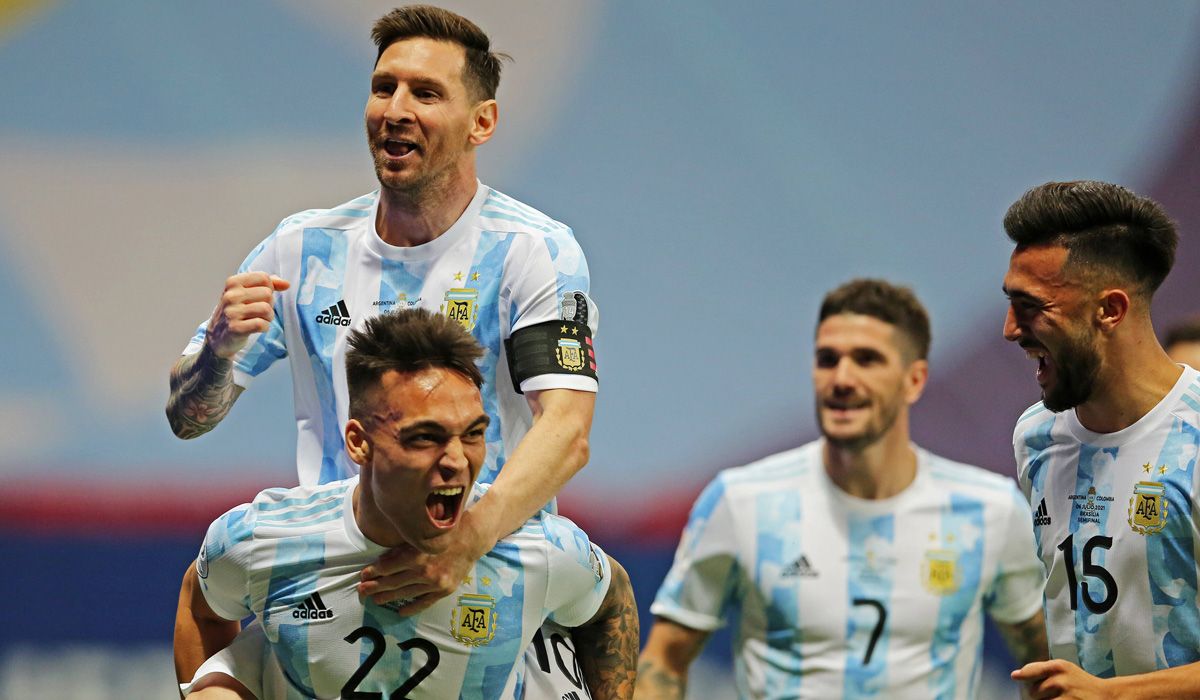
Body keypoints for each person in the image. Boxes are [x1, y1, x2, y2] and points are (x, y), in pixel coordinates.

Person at [166, 5, 599, 696]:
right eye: (383, 87)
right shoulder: (301, 248)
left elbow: (567, 431)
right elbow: (187, 417)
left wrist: (467, 541)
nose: (396, 109)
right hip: (331, 588)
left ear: (481, 123)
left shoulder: (531, 251)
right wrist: (217, 354)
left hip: (484, 583)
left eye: (426, 94)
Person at [174, 309, 637, 699]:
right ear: (358, 443)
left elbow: (612, 596)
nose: (457, 460)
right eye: (424, 438)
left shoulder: (540, 551)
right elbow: (202, 603)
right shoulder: (264, 541)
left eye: (473, 434)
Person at [636, 279, 1048, 699]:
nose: (842, 378)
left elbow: (1047, 670)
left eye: (867, 360)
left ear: (914, 380)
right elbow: (664, 662)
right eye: (828, 360)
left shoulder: (989, 511)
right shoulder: (741, 502)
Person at [1003, 180, 1200, 696]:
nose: (1009, 329)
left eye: (1030, 306)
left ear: (1110, 310)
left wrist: (1112, 695)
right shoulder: (1035, 436)